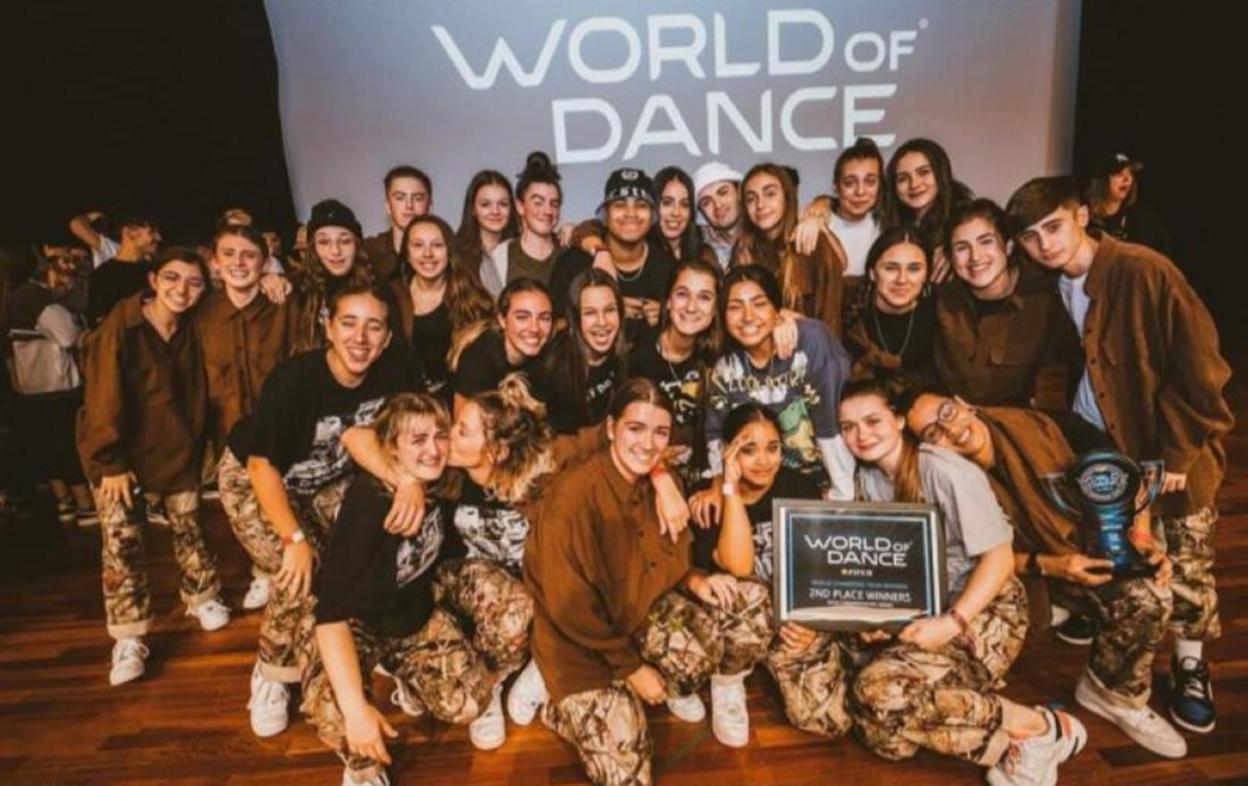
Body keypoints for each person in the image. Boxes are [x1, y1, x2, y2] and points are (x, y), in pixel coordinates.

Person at [1007, 175, 1234, 734]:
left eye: (1053, 227)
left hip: (1168, 452)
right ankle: (1106, 631)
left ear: (1083, 215)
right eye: (1031, 236)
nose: (1044, 244)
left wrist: (1179, 455)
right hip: (1103, 445)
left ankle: (1190, 666)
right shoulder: (1053, 283)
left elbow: (1203, 371)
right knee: (1121, 548)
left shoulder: (1144, 271)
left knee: (1185, 560)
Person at [905, 391, 1187, 758]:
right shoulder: (942, 481)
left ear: (964, 402)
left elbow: (1125, 474)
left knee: (1151, 595)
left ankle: (1113, 694)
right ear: (929, 450)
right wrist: (1052, 565)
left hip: (1091, 543)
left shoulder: (1046, 425)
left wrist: (1141, 541)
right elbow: (971, 560)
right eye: (933, 433)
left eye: (947, 412)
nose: (951, 429)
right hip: (1023, 570)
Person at [837, 376, 1087, 786]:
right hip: (928, 603)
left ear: (899, 420)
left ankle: (1038, 723)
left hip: (986, 606)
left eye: (873, 421)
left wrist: (952, 623)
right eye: (849, 427)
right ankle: (1021, 743)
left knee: (878, 693)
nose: (861, 435)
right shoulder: (867, 479)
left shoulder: (944, 470)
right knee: (884, 736)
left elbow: (1000, 559)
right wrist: (882, 619)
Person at [524, 379, 771, 785]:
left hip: (636, 614)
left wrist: (693, 579)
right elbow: (572, 609)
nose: (648, 443)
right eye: (635, 428)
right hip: (580, 645)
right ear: (610, 429)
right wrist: (633, 670)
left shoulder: (662, 480)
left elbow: (660, 555)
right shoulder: (571, 501)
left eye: (660, 432)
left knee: (740, 609)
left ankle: (662, 688)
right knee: (630, 777)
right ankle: (559, 705)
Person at [217, 284, 424, 738]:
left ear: (388, 337)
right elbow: (261, 466)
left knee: (356, 553)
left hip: (328, 477)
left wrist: (407, 480)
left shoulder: (398, 368)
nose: (360, 338)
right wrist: (293, 539)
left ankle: (375, 648)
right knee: (300, 573)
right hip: (256, 478)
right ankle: (272, 673)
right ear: (328, 327)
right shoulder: (295, 380)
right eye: (348, 323)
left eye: (374, 327)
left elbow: (391, 435)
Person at [304, 393, 491, 786]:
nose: (433, 450)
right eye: (418, 440)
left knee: (470, 701)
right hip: (357, 623)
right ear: (391, 449)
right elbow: (330, 616)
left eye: (440, 436)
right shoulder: (370, 503)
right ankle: (364, 769)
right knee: (339, 713)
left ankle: (404, 674)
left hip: (411, 616)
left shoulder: (444, 477)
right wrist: (356, 711)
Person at [77, 247, 231, 686]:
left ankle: (202, 595)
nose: (182, 290)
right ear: (153, 280)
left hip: (176, 448)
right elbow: (102, 398)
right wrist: (110, 461)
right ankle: (128, 636)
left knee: (190, 528)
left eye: (194, 282)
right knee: (123, 544)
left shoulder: (192, 326)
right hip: (120, 457)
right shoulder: (120, 327)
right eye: (172, 278)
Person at [695, 403, 852, 738]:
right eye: (748, 450)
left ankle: (813, 659)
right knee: (747, 591)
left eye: (772, 448)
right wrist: (728, 488)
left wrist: (811, 623)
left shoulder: (800, 488)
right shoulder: (708, 500)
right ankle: (728, 680)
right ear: (728, 452)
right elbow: (739, 566)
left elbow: (818, 567)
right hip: (742, 621)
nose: (763, 460)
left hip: (788, 616)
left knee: (827, 721)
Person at [196, 223, 300, 610]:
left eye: (249, 255)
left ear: (265, 261)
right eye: (229, 254)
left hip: (281, 432)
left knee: (284, 506)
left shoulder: (283, 305)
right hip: (229, 432)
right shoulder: (200, 313)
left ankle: (279, 573)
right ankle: (266, 570)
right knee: (245, 512)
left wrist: (283, 280)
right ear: (215, 262)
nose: (239, 262)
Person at [704, 265, 853, 500]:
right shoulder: (726, 367)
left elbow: (831, 424)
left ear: (778, 310)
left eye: (759, 304)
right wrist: (720, 487)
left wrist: (842, 496)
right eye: (735, 307)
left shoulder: (811, 342)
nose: (748, 316)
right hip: (759, 485)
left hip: (820, 482)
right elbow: (716, 434)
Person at [933, 198, 1081, 408]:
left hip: (1020, 423)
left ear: (1009, 246)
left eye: (986, 242)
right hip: (950, 420)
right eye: (962, 247)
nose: (975, 257)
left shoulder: (1046, 301)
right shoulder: (942, 300)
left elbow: (1057, 390)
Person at [6, 251, 96, 526]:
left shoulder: (16, 297)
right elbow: (69, 336)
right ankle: (85, 504)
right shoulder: (35, 297)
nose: (71, 269)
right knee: (67, 443)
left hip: (29, 385)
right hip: (56, 384)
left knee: (46, 446)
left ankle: (64, 501)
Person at [550, 167, 674, 343]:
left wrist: (667, 318)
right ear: (606, 215)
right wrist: (608, 311)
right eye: (620, 205)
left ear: (653, 216)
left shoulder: (667, 267)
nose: (631, 214)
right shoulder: (573, 263)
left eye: (641, 205)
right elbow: (551, 328)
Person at [628, 256, 721, 486]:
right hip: (647, 475)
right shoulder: (638, 354)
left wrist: (785, 321)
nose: (691, 307)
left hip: (706, 482)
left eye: (704, 297)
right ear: (668, 301)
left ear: (715, 309)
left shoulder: (720, 354)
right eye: (682, 294)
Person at [734, 162, 847, 332]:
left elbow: (830, 320)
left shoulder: (811, 240)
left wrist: (796, 322)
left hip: (811, 345)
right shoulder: (744, 250)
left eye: (770, 194)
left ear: (787, 197)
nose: (760, 205)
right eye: (751, 199)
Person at [389, 214, 493, 396]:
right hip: (405, 398)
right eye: (418, 245)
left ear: (450, 251)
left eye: (437, 245)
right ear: (407, 254)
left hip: (460, 396)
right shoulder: (392, 295)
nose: (427, 254)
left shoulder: (472, 297)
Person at [532, 269, 627, 460]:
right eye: (590, 313)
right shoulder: (552, 367)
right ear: (575, 319)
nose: (602, 322)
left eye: (609, 310)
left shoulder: (628, 354)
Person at [843, 227, 937, 382]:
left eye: (914, 269)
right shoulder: (848, 305)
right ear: (872, 273)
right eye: (891, 268)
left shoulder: (941, 313)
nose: (902, 279)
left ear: (927, 275)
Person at [450, 277, 553, 415]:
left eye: (544, 318)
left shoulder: (553, 355)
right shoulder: (479, 357)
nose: (535, 328)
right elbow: (463, 424)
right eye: (522, 317)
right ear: (502, 320)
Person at [880, 138, 973, 283]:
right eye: (903, 178)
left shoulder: (966, 219)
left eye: (923, 172)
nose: (914, 184)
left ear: (941, 174)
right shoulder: (892, 224)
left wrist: (956, 249)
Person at [291, 198, 375, 352]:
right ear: (313, 248)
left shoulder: (375, 289)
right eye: (324, 242)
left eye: (345, 241)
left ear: (357, 245)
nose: (335, 251)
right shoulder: (296, 290)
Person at [801, 137, 885, 280]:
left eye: (870, 182)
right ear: (836, 187)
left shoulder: (887, 224)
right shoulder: (814, 222)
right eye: (849, 183)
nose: (860, 191)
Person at [480, 152, 562, 298]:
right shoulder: (499, 258)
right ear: (520, 206)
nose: (548, 211)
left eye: (554, 204)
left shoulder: (570, 254)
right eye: (538, 203)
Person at [85, 207, 162, 326]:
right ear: (129, 232)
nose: (159, 237)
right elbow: (97, 324)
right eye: (151, 232)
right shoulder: (102, 276)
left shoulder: (158, 270)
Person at [1084, 152, 1171, 255]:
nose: (1127, 180)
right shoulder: (1083, 217)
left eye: (1130, 174)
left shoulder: (1144, 218)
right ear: (1102, 181)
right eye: (1119, 174)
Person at [363, 165, 433, 283]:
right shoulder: (368, 251)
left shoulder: (448, 251)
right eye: (400, 198)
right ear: (388, 206)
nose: (409, 205)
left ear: (430, 206)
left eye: (418, 198)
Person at [453, 169, 519, 286]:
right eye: (485, 204)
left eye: (503, 204)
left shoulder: (522, 249)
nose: (495, 211)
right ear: (473, 209)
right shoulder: (456, 255)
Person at [650, 166, 715, 265]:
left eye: (684, 204)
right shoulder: (639, 254)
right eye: (667, 203)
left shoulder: (704, 254)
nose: (676, 212)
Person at [691, 161, 746, 268]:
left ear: (739, 192)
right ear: (701, 212)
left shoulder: (764, 231)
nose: (718, 205)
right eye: (706, 202)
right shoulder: (696, 247)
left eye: (723, 193)